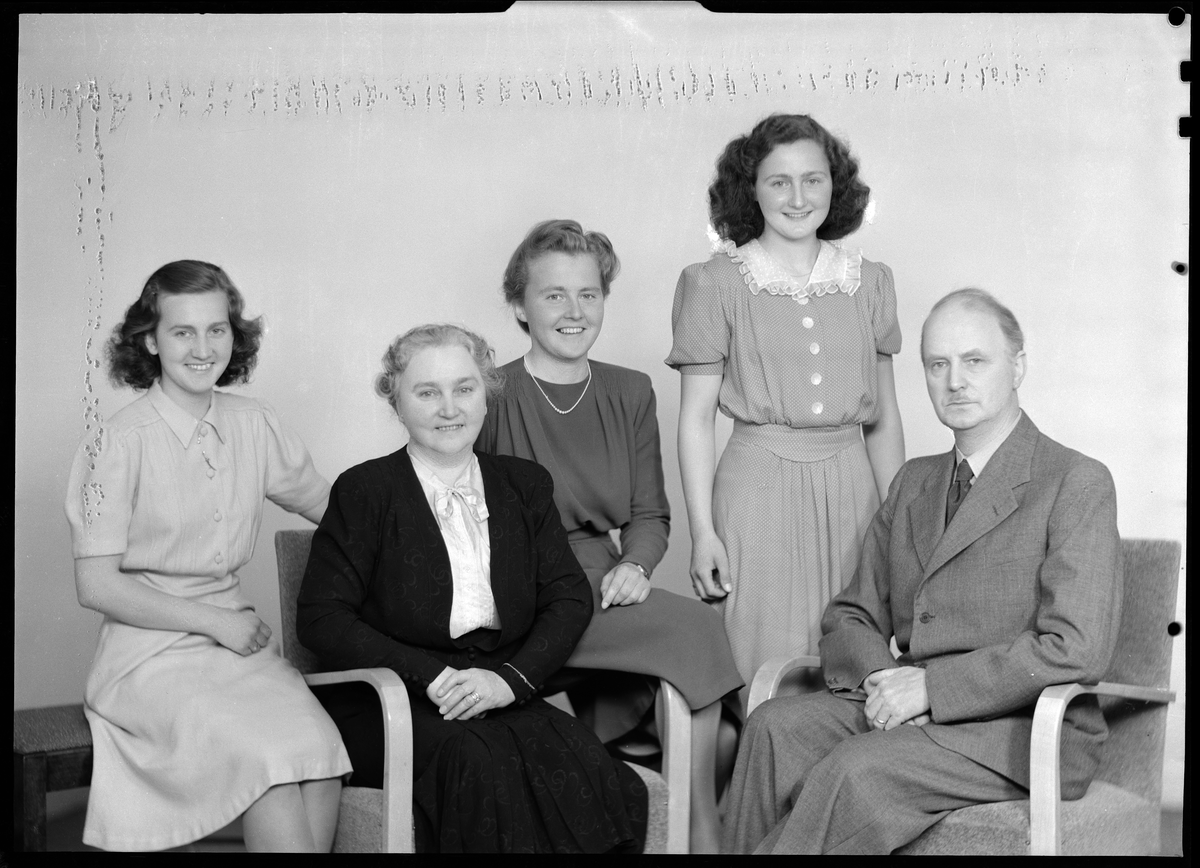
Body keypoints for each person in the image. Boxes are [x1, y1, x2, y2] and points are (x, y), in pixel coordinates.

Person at [722, 288, 1123, 854]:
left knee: (859, 771)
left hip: (1019, 729)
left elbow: (1075, 648)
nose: (955, 381)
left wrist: (932, 690)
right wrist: (884, 682)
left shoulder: (1075, 481)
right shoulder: (913, 482)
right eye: (938, 365)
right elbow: (852, 614)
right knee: (773, 728)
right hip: (913, 711)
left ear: (1018, 367)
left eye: (975, 361)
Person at [296, 323, 648, 854]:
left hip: (497, 687)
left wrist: (510, 681)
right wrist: (432, 677)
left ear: (486, 395)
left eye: (464, 389)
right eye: (427, 392)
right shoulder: (364, 490)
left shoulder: (525, 484)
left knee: (583, 756)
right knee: (479, 763)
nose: (449, 408)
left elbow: (568, 596)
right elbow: (322, 618)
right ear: (396, 402)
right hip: (393, 699)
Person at [64, 260, 350, 852]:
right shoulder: (116, 441)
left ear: (233, 335)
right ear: (150, 340)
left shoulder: (255, 422)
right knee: (271, 772)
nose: (202, 349)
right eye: (182, 332)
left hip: (239, 650)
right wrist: (216, 622)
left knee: (322, 758)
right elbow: (97, 586)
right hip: (148, 656)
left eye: (216, 330)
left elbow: (336, 509)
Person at [476, 219, 744, 853]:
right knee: (696, 630)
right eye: (554, 295)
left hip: (609, 583)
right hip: (527, 590)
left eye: (588, 294)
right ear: (520, 305)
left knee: (715, 722)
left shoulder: (630, 390)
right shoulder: (490, 394)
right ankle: (701, 834)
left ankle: (678, 823)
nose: (575, 312)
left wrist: (638, 566)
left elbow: (650, 514)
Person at [667, 113, 905, 716]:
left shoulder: (871, 282)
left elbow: (883, 419)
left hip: (851, 491)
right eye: (779, 182)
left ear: (835, 186)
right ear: (750, 189)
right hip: (756, 489)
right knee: (757, 667)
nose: (798, 198)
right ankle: (755, 778)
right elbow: (696, 420)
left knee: (852, 660)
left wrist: (896, 523)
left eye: (813, 179)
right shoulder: (714, 283)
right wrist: (703, 533)